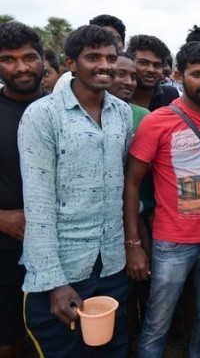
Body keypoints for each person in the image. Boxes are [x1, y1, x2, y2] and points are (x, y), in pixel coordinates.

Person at [123, 40, 200, 358]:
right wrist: (133, 243)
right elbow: (132, 184)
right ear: (178, 75)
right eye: (197, 74)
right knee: (157, 322)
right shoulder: (156, 121)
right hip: (172, 242)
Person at [19, 25, 132, 358]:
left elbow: (119, 183)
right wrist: (55, 282)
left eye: (111, 57)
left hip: (111, 265)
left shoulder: (121, 112)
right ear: (71, 62)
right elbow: (37, 204)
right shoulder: (43, 115)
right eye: (93, 57)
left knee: (111, 349)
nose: (105, 65)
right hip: (62, 270)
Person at [0, 21, 47, 358]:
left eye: (29, 57)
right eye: (8, 59)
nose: (20, 67)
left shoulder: (66, 110)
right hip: (6, 245)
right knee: (8, 334)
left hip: (61, 245)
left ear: (43, 59)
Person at [127, 34, 180, 111]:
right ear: (130, 62)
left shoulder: (171, 96)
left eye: (157, 65)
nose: (151, 70)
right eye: (144, 63)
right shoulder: (116, 96)